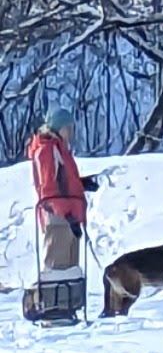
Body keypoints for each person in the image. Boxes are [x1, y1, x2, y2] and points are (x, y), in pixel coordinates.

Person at [28, 107, 99, 280]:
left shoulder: (60, 149)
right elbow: (49, 189)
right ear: (59, 128)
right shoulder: (47, 150)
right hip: (59, 217)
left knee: (70, 271)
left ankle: (68, 305)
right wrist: (67, 214)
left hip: (70, 215)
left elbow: (63, 182)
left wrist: (82, 184)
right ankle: (54, 305)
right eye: (68, 128)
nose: (71, 132)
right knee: (57, 270)